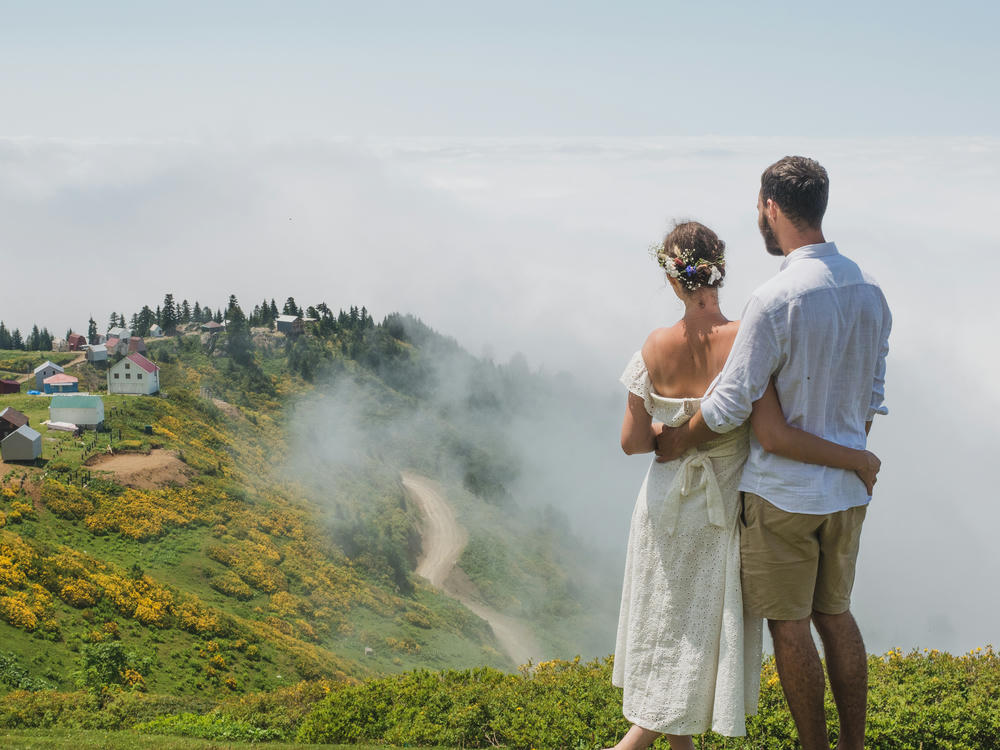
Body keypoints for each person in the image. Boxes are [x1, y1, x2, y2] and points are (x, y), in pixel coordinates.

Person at [612, 219, 881, 750]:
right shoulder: (742, 340)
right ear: (721, 271)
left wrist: (671, 432)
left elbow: (632, 442)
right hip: (722, 507)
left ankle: (649, 739)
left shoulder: (653, 346)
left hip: (665, 502)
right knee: (705, 626)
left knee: (669, 623)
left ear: (672, 279)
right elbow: (770, 427)